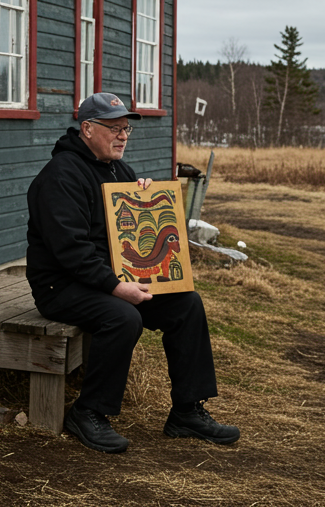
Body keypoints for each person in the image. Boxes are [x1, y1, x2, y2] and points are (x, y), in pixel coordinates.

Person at [25, 92, 238, 454]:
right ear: (87, 129)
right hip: (60, 284)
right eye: (114, 128)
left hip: (109, 278)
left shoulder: (119, 171)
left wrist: (144, 201)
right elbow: (71, 252)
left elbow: (132, 235)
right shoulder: (60, 176)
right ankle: (88, 411)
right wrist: (116, 287)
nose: (123, 135)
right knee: (123, 317)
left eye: (126, 128)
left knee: (186, 304)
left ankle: (187, 410)